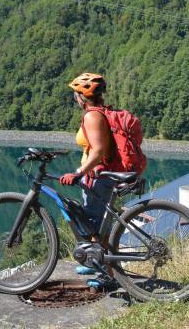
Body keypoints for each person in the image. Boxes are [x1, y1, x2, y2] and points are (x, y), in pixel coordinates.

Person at [60, 72, 117, 285]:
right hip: (97, 175)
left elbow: (99, 151)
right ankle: (94, 263)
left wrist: (79, 173)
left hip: (98, 176)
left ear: (81, 96)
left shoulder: (92, 116)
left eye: (76, 94)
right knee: (93, 223)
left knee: (96, 228)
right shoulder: (100, 111)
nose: (75, 98)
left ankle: (106, 275)